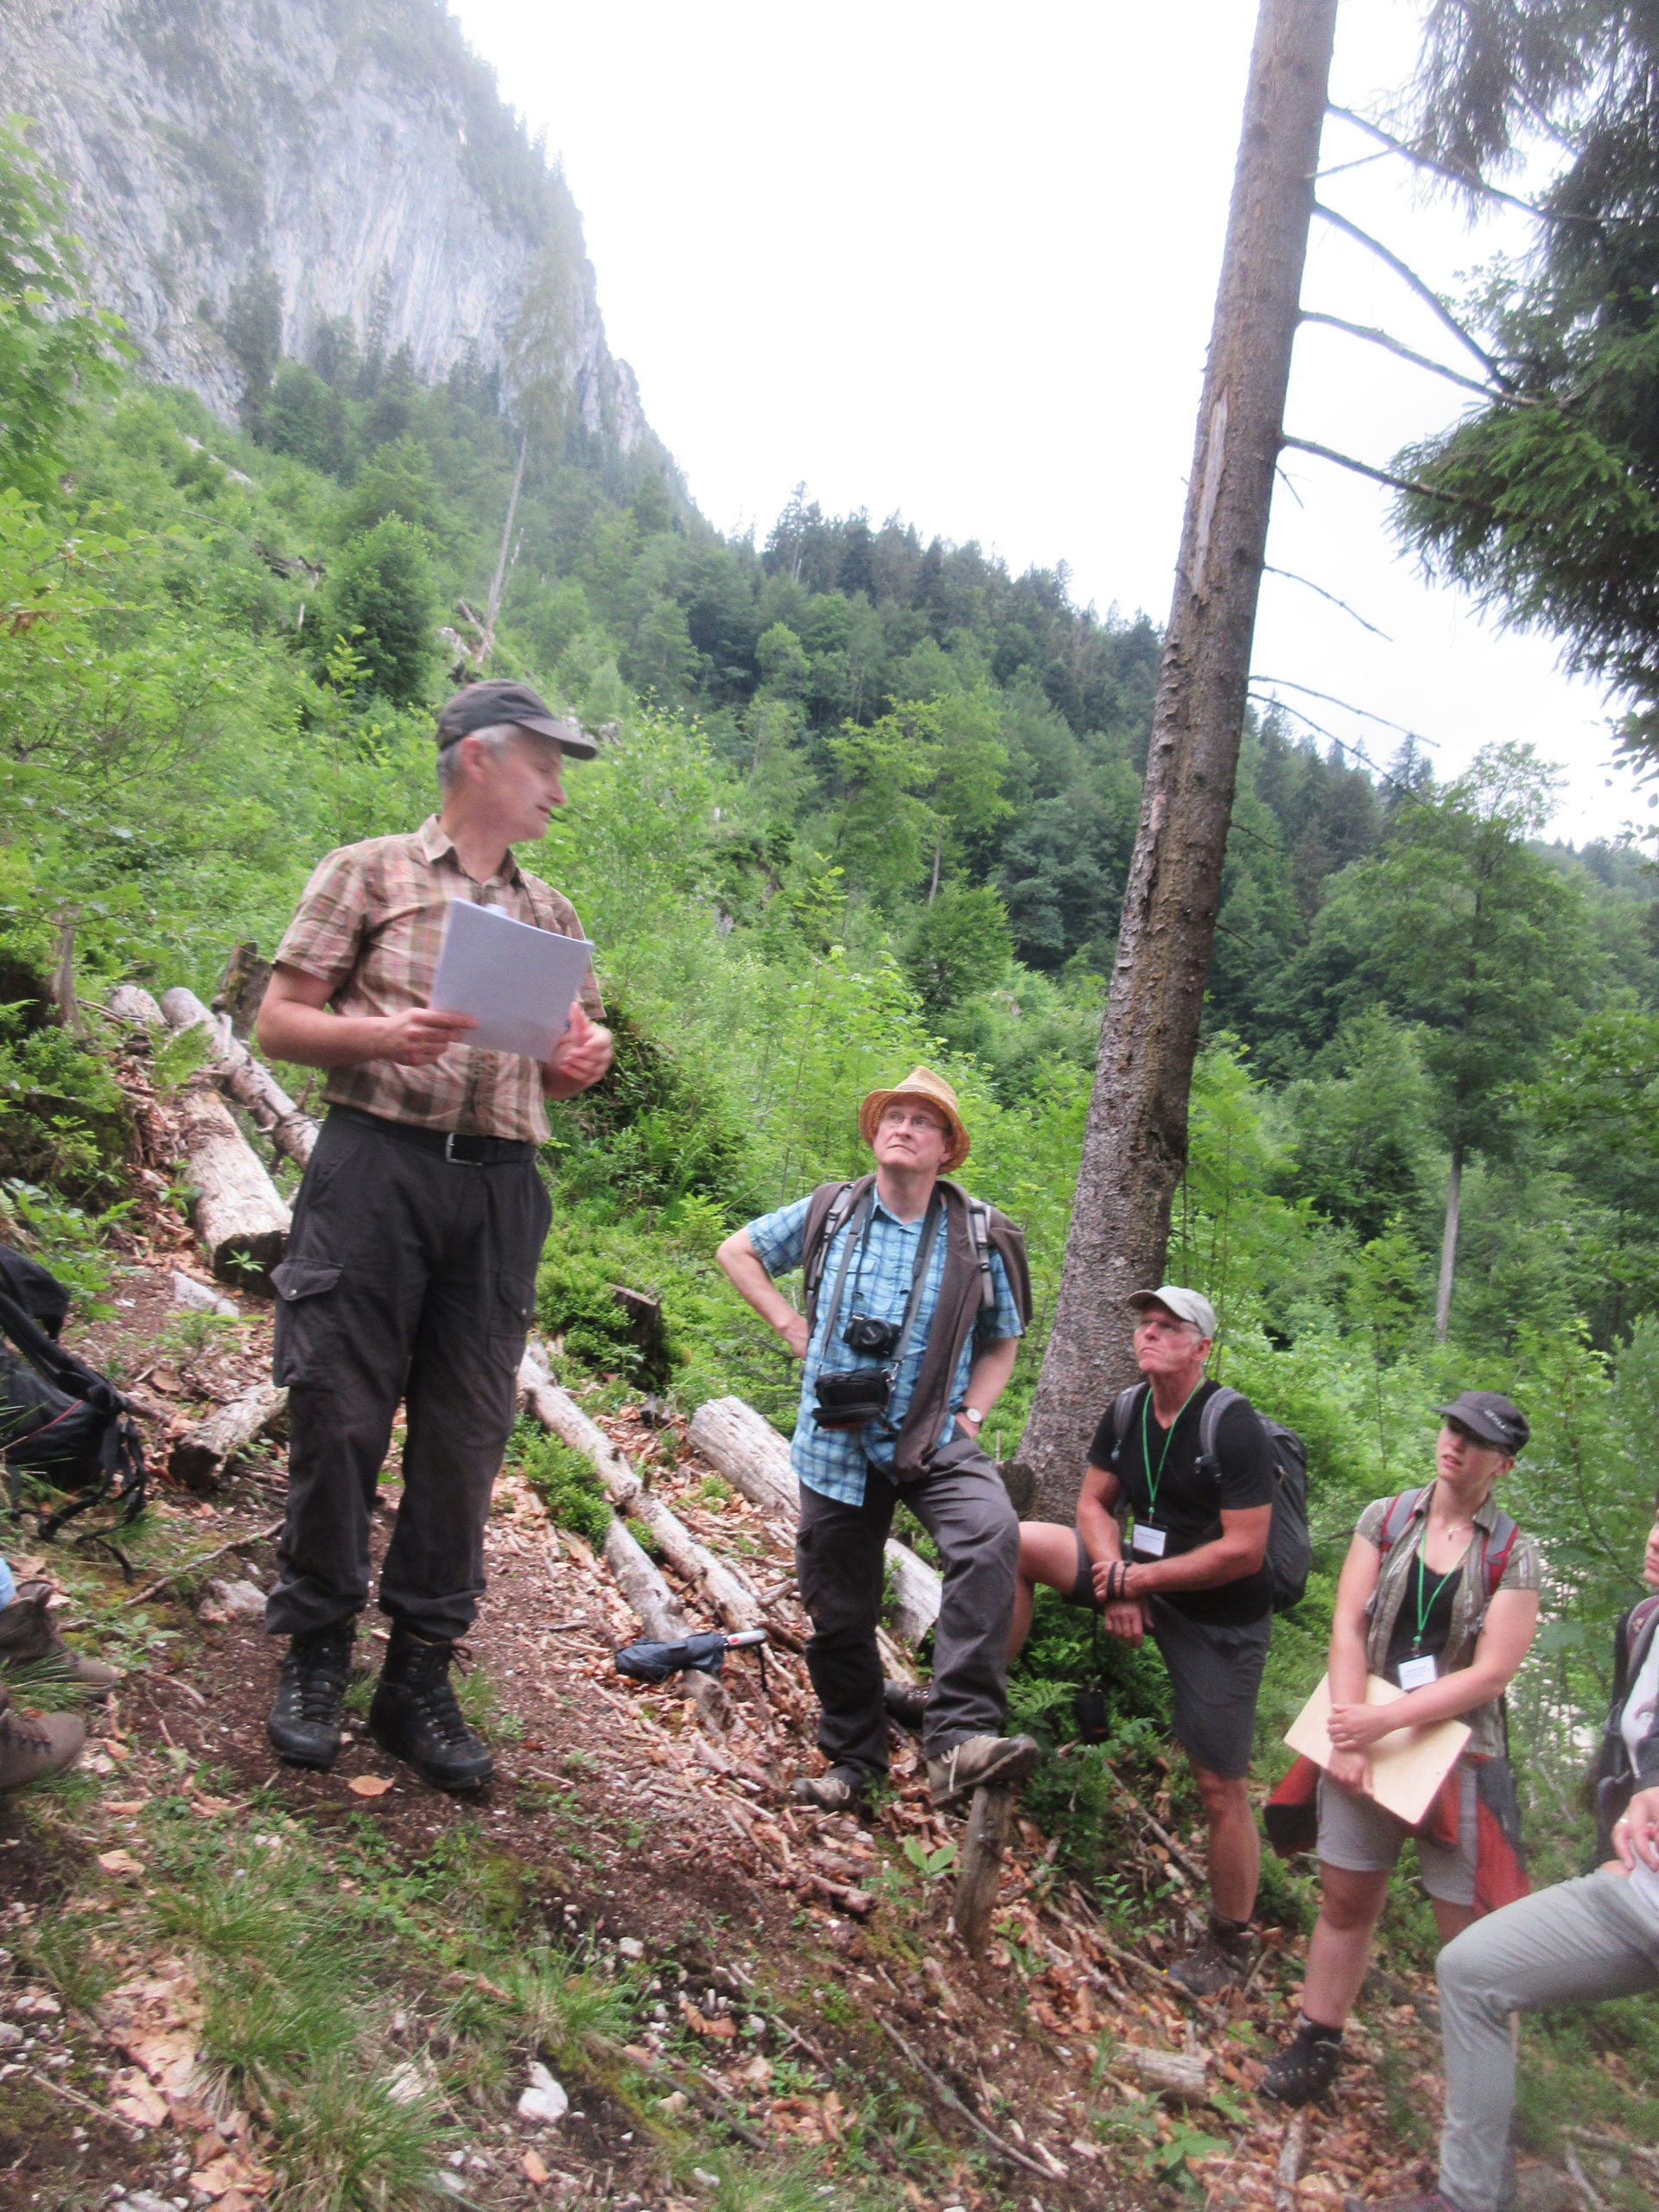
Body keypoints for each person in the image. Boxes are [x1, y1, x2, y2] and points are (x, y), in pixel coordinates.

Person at [255, 680, 614, 1792]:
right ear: (477, 761)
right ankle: (316, 1648)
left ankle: (417, 1674)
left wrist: (578, 1061)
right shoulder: (367, 870)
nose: (559, 789)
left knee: (464, 1438)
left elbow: (574, 1051)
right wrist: (377, 1036)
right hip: (374, 1169)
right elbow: (274, 1020)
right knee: (340, 1406)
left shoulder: (552, 915)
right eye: (546, 764)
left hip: (501, 1192)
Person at [715, 1067, 1037, 1814]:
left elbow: (1002, 1343)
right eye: (894, 1115)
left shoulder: (978, 1234)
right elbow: (739, 1251)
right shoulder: (833, 1210)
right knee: (840, 1610)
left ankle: (957, 1740)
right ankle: (854, 1761)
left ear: (947, 1149)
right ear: (874, 1132)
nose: (904, 1127)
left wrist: (974, 1417)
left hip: (934, 1433)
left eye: (923, 1122)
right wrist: (790, 1327)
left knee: (991, 1535)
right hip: (835, 1441)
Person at [1345, 1491, 1659, 2212]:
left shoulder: (1511, 1553)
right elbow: (1625, 1758)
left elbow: (1491, 1673)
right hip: (1635, 1896)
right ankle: (1469, 2196)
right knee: (1472, 1969)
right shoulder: (1643, 1624)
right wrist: (1614, 1843)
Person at [1262, 1391, 1541, 2108]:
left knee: (1473, 1937)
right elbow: (1347, 1627)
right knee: (1346, 1899)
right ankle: (1316, 2040)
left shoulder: (1514, 1551)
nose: (1456, 1444)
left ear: (1502, 1465)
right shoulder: (1385, 1519)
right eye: (1452, 1427)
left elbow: (1492, 1672)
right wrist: (1349, 1731)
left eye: (1477, 1440)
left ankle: (1484, 2106)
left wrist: (1380, 1727)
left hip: (1461, 1754)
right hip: (1365, 1728)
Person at [1009, 1286, 1278, 1994]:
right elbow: (1094, 1503)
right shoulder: (1127, 1410)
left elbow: (1245, 1550)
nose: (1149, 1335)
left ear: (1201, 1347)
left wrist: (1139, 1586)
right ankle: (963, 1702)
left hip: (1219, 1618)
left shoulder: (1232, 1424)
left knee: (1221, 1786)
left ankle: (1228, 1943)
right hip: (1140, 1578)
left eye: (1168, 1327)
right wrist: (1115, 1575)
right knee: (1011, 1545)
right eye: (1145, 1325)